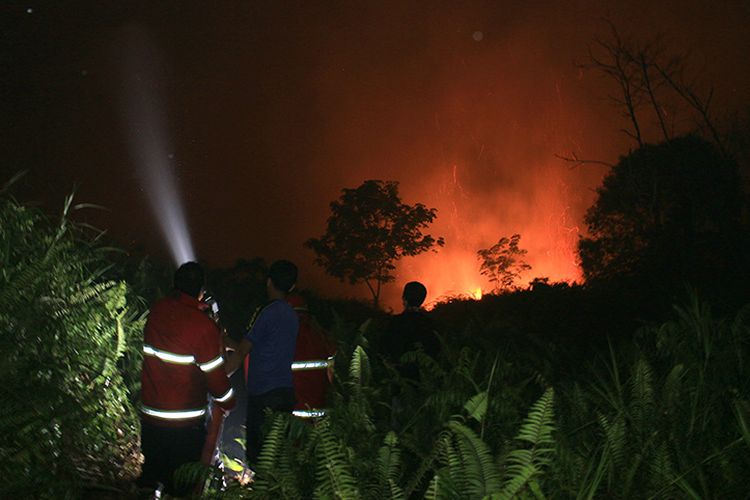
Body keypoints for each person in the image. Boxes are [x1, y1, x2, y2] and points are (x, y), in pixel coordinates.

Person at [139, 262, 236, 496]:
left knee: (152, 476)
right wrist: (229, 401)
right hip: (184, 425)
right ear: (201, 290)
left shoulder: (158, 311)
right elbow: (216, 381)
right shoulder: (203, 327)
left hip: (151, 418)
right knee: (181, 485)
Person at [224, 260, 299, 469]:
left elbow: (241, 352)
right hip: (285, 394)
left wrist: (217, 379)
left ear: (268, 282)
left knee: (259, 458)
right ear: (292, 287)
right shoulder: (292, 315)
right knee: (277, 455)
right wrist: (228, 342)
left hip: (263, 395)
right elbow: (262, 344)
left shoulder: (264, 311)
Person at [287, 293, 335, 418]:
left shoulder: (284, 340)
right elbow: (333, 375)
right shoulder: (321, 336)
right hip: (321, 414)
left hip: (293, 417)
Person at [382, 281, 441, 383]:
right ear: (422, 300)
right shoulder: (430, 324)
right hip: (424, 381)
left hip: (399, 379)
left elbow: (385, 348)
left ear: (404, 299)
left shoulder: (395, 323)